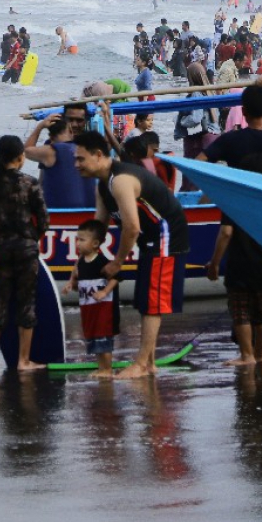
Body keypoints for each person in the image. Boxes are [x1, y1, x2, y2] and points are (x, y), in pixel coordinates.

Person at [73, 130, 189, 379]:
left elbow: (132, 227)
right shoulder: (103, 185)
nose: (76, 164)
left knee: (152, 302)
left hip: (166, 234)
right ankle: (150, 362)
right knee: (144, 300)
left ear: (98, 155)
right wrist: (80, 264)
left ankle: (142, 365)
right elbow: (98, 229)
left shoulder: (121, 180)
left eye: (81, 159)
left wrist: (117, 262)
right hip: (149, 238)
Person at [200, 86, 262, 365]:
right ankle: (259, 353)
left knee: (240, 305)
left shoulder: (232, 140)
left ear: (242, 112)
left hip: (239, 216)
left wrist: (219, 193)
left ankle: (247, 356)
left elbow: (200, 164)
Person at [0, 135, 49, 372]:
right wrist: (32, 239)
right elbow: (44, 220)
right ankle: (23, 361)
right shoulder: (29, 183)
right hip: (26, 250)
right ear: (20, 158)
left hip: (0, 251)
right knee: (26, 305)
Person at [61, 219, 120, 377]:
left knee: (103, 340)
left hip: (103, 310)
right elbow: (76, 280)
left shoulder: (101, 261)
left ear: (95, 244)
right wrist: (70, 285)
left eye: (82, 240)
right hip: (89, 310)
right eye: (77, 239)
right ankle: (101, 368)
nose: (77, 243)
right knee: (94, 339)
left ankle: (107, 369)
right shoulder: (80, 262)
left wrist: (104, 292)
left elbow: (116, 277)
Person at [24, 108, 97, 210]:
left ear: (50, 137)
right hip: (91, 211)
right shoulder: (87, 149)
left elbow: (26, 150)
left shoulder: (50, 151)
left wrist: (40, 127)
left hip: (60, 215)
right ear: (71, 131)